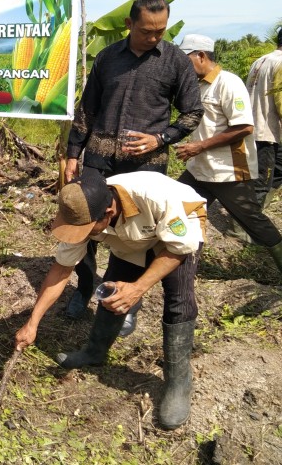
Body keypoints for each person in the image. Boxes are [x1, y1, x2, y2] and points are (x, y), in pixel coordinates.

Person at [15, 168, 206, 430]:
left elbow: (179, 248)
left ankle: (178, 382)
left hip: (179, 229)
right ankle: (94, 352)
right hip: (135, 239)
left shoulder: (156, 197)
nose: (80, 235)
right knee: (112, 291)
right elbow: (61, 269)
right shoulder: (81, 209)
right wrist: (32, 322)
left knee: (178, 300)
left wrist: (137, 289)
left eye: (85, 229)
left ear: (107, 214)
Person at [64, 0, 203, 335]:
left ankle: (129, 300)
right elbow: (88, 109)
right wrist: (72, 153)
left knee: (136, 238)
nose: (154, 37)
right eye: (146, 31)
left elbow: (192, 113)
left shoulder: (175, 61)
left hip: (146, 168)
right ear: (129, 23)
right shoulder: (108, 58)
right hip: (99, 161)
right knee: (85, 225)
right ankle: (83, 289)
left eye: (161, 31)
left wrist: (160, 138)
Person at [173, 34, 282, 273]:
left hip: (227, 171)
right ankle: (179, 264)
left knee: (252, 220)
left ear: (201, 56)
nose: (181, 66)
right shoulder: (195, 85)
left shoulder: (228, 83)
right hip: (199, 169)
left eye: (185, 59)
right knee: (176, 209)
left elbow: (244, 127)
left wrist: (199, 146)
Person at [245, 27, 282, 208]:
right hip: (266, 131)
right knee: (260, 182)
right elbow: (281, 102)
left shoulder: (261, 61)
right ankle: (244, 227)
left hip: (251, 127)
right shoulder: (280, 62)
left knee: (270, 172)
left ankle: (260, 208)